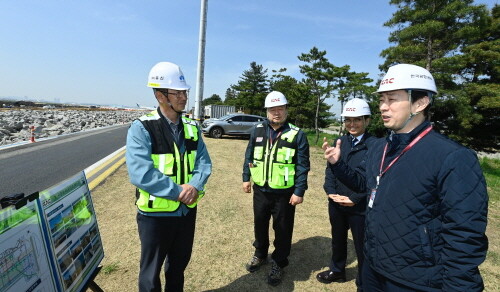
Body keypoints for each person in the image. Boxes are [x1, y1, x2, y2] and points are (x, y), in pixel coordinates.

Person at [323, 64, 488, 291]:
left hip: (415, 279)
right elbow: (365, 186)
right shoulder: (379, 148)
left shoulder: (453, 157)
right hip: (372, 268)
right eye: (381, 100)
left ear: (420, 103)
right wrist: (337, 164)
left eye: (392, 99)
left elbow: (465, 237)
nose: (383, 107)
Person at [126, 61, 212, 292]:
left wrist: (194, 186)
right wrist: (180, 192)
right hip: (155, 216)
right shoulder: (142, 127)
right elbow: (140, 173)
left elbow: (204, 162)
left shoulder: (192, 127)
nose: (184, 97)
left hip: (186, 212)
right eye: (178, 93)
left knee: (178, 266)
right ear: (160, 95)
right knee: (150, 273)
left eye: (185, 92)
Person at [242, 91, 310, 286]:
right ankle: (260, 254)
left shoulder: (297, 134)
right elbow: (249, 156)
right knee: (260, 224)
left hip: (284, 194)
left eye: (280, 108)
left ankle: (279, 262)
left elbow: (302, 166)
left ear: (286, 110)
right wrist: (246, 178)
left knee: (282, 229)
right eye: (272, 109)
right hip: (261, 190)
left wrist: (299, 191)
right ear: (267, 111)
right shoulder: (257, 130)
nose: (276, 113)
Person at [316, 98, 375, 291]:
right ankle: (337, 270)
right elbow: (330, 170)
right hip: (337, 203)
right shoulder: (340, 141)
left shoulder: (375, 145)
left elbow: (372, 181)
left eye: (357, 119)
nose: (351, 124)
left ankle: (364, 281)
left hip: (360, 206)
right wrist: (331, 192)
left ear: (367, 120)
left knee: (362, 246)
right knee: (337, 239)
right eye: (348, 120)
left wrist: (355, 199)